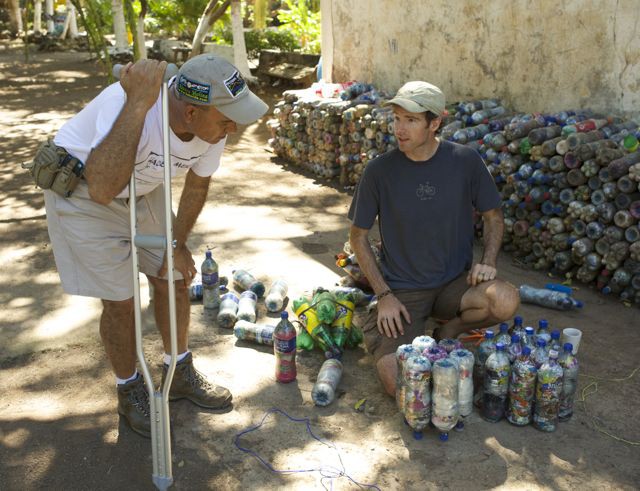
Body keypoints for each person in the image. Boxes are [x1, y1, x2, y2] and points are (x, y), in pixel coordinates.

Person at [41, 55, 268, 437]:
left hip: (143, 186)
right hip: (86, 190)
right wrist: (137, 104)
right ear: (191, 113)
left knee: (175, 275)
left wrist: (177, 242)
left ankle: (178, 371)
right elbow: (102, 188)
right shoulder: (125, 103)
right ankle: (129, 388)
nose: (234, 127)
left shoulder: (214, 128)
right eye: (226, 117)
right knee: (121, 299)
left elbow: (198, 183)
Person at [348, 81, 519, 397]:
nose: (400, 128)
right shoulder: (379, 171)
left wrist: (488, 262)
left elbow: (494, 216)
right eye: (397, 118)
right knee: (394, 381)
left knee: (506, 299)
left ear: (435, 122)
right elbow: (358, 236)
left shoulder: (465, 161)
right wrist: (384, 294)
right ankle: (389, 325)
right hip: (403, 291)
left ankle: (448, 330)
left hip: (455, 285)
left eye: (411, 120)